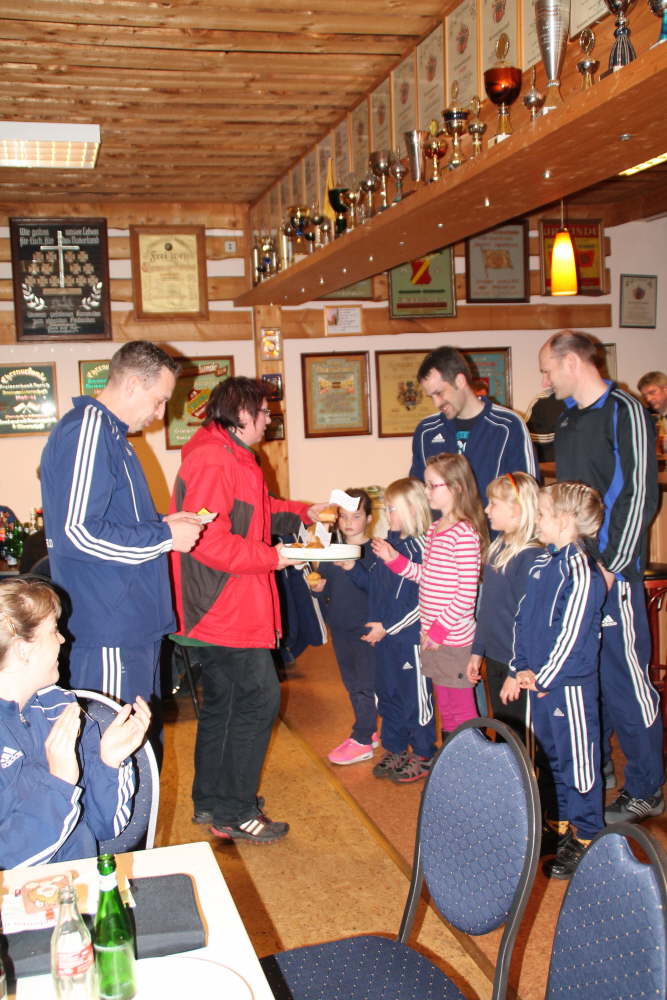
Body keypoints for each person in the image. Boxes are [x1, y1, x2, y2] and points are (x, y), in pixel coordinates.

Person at [169, 376, 324, 845]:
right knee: (259, 699)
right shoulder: (213, 459)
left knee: (224, 703)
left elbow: (258, 510)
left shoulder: (232, 455)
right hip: (220, 606)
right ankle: (235, 812)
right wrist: (274, 557)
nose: (269, 418)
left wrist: (304, 513)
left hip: (225, 604)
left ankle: (211, 800)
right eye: (263, 411)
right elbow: (207, 540)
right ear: (242, 415)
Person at [539, 330, 663, 824]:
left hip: (615, 574)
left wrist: (611, 567)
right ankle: (600, 769)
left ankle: (647, 787)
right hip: (577, 570)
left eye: (548, 369)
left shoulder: (625, 410)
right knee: (585, 677)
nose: (545, 380)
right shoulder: (567, 417)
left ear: (572, 362)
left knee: (626, 681)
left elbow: (640, 494)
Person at [40, 341, 202, 705]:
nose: (161, 413)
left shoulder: (111, 434)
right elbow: (77, 533)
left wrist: (163, 522)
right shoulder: (88, 429)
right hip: (109, 626)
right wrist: (166, 536)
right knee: (115, 735)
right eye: (159, 400)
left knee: (138, 734)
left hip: (130, 621)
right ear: (131, 385)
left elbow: (114, 519)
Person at [0, 577, 151, 868]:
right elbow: (9, 864)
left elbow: (108, 827)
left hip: (79, 879)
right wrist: (59, 782)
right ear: (22, 650)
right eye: (53, 631)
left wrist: (110, 762)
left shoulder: (61, 708)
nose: (62, 639)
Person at [509, 482, 606, 879]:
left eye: (543, 515)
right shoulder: (544, 564)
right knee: (551, 757)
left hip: (569, 687)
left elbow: (572, 635)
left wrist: (544, 675)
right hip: (538, 683)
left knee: (578, 762)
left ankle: (588, 835)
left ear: (565, 522)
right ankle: (563, 825)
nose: (536, 521)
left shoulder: (581, 573)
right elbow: (523, 618)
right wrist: (521, 666)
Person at [373, 453, 488, 741]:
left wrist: (438, 630)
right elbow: (427, 576)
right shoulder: (436, 529)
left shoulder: (464, 534)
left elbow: (466, 593)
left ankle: (470, 759)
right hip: (432, 637)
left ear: (456, 488)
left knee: (462, 708)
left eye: (432, 485)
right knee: (446, 706)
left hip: (452, 639)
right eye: (426, 485)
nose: (426, 491)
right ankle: (452, 757)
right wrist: (394, 560)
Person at [346, 478, 436, 783]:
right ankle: (395, 748)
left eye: (392, 508)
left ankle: (423, 752)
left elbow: (425, 600)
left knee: (415, 699)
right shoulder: (389, 544)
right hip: (385, 641)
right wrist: (353, 569)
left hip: (409, 641)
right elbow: (374, 585)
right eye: (386, 508)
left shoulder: (423, 548)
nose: (387, 514)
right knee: (388, 694)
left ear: (413, 509)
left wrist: (389, 626)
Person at [466, 472, 542, 742]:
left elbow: (530, 621)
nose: (486, 510)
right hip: (496, 656)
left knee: (522, 737)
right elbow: (487, 609)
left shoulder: (530, 556)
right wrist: (477, 651)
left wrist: (515, 671)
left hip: (518, 665)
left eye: (494, 504)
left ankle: (526, 772)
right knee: (503, 728)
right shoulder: (498, 548)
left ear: (516, 509)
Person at [410, 346, 537, 504]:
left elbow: (527, 496)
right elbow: (416, 497)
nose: (436, 403)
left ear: (460, 381)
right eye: (431, 397)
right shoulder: (426, 431)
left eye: (439, 393)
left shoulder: (509, 426)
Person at [309, 490, 379, 766]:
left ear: (369, 518)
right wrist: (318, 589)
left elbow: (379, 591)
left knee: (365, 686)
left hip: (366, 630)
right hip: (340, 628)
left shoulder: (375, 552)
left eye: (356, 516)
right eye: (344, 517)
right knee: (352, 684)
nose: (349, 523)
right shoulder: (331, 552)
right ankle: (369, 730)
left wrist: (353, 568)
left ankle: (362, 738)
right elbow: (326, 591)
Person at [524, 388, 565, 464]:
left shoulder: (586, 399)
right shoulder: (543, 400)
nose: (544, 383)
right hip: (549, 465)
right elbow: (526, 436)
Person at [637, 370, 667, 454]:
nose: (648, 399)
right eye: (644, 395)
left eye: (652, 392)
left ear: (665, 389)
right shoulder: (645, 415)